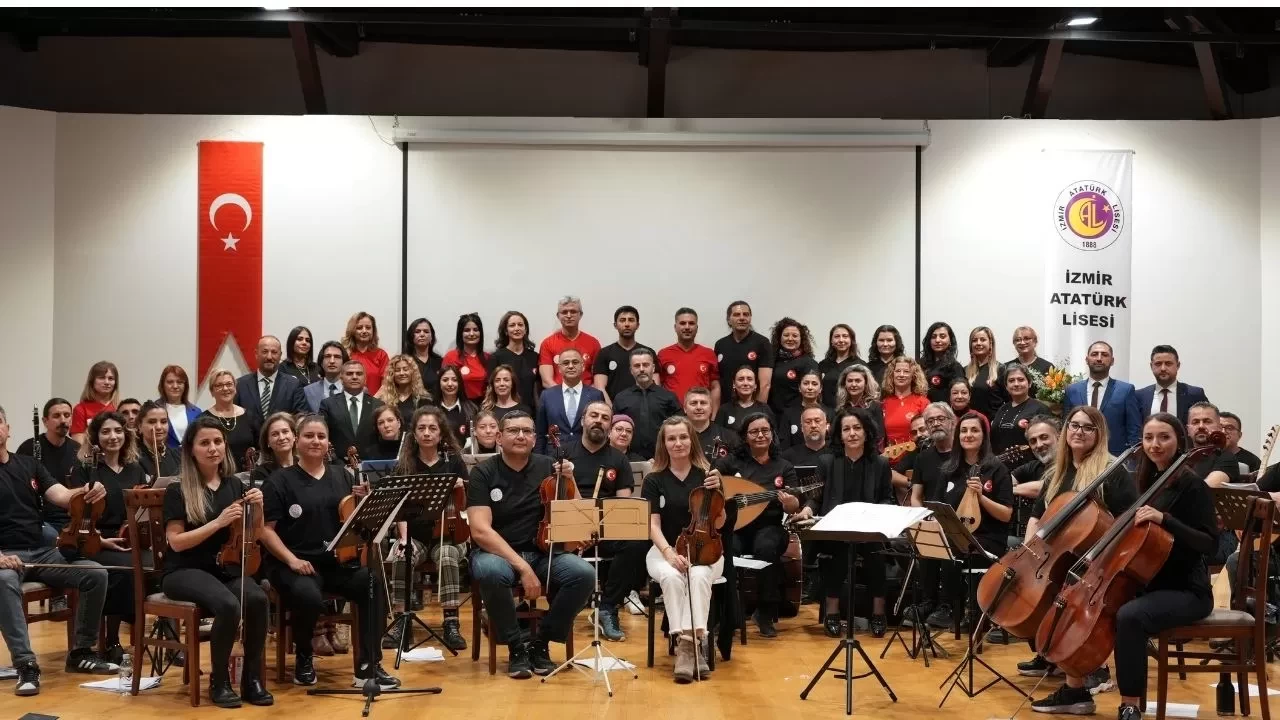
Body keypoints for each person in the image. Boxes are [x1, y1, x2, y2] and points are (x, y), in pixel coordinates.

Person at [1032, 413, 1217, 719]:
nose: (1155, 445)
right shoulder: (1148, 479)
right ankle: (1076, 689)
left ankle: (1130, 704)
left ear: (1179, 441)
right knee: (1076, 604)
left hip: (1187, 589)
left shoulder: (1192, 485)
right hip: (1148, 583)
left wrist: (1165, 520)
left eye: (1164, 437)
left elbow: (1208, 544)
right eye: (1148, 438)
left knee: (1129, 616)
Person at [259, 414, 399, 690]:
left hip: (335, 563)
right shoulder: (279, 481)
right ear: (297, 441)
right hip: (292, 563)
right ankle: (303, 658)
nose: (315, 441)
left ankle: (368, 665)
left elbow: (357, 524)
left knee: (371, 582)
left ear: (328, 443)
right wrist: (292, 560)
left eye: (321, 436)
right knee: (309, 596)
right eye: (309, 436)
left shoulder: (343, 476)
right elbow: (265, 530)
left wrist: (365, 502)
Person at [1, 402, 120, 698]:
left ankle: (80, 652)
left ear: (6, 428)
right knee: (2, 581)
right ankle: (26, 663)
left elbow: (63, 496)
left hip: (40, 552)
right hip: (4, 556)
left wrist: (88, 491)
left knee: (96, 574)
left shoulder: (28, 464)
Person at [466, 411, 595, 679]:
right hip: (497, 554)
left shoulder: (550, 466)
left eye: (527, 431)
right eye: (513, 431)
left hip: (543, 552)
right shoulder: (483, 473)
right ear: (499, 438)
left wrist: (569, 480)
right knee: (491, 572)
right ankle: (515, 647)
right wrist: (523, 568)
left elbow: (579, 517)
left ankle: (541, 643)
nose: (521, 436)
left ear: (535, 438)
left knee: (584, 574)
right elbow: (480, 530)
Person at [1016, 406, 1137, 682]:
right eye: (1074, 425)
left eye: (1087, 427)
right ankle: (1048, 651)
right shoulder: (1056, 473)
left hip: (1095, 557)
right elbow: (1037, 514)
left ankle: (1090, 664)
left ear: (1099, 433)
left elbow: (1128, 518)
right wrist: (1028, 549)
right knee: (1036, 590)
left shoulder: (1112, 470)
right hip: (1058, 552)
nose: (1079, 432)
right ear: (1065, 431)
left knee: (1069, 593)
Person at [161, 416, 271, 707]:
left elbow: (253, 533)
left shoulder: (235, 485)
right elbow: (176, 541)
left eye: (218, 441)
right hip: (184, 570)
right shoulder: (178, 489)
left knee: (258, 599)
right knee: (228, 605)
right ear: (191, 450)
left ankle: (252, 679)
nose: (213, 448)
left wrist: (258, 508)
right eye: (205, 443)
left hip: (224, 568)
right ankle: (219, 680)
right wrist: (217, 522)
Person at [794, 408, 892, 638]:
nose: (852, 433)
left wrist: (881, 513)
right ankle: (832, 613)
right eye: (846, 429)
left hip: (869, 527)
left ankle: (879, 613)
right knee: (836, 557)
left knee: (876, 556)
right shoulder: (827, 461)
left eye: (857, 428)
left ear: (867, 432)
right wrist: (806, 510)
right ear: (839, 434)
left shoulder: (880, 464)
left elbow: (887, 497)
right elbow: (815, 497)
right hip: (837, 528)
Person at [642, 415, 726, 682]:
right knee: (671, 576)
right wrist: (668, 553)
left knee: (700, 575)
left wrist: (718, 493)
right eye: (671, 438)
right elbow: (652, 525)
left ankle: (687, 646)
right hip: (664, 549)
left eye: (683, 437)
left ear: (692, 440)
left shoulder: (707, 476)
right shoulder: (654, 479)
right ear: (663, 444)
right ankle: (691, 646)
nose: (678, 443)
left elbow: (720, 522)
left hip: (706, 549)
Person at [386, 406, 471, 652]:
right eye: (421, 428)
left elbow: (465, 506)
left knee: (447, 555)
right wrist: (403, 539)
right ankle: (401, 621)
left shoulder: (453, 461)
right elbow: (399, 510)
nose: (426, 433)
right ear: (413, 434)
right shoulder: (404, 465)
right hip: (416, 534)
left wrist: (460, 488)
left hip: (449, 534)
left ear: (441, 434)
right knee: (403, 554)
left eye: (432, 428)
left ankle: (451, 621)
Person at [66, 411, 148, 663]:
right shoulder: (85, 469)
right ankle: (112, 640)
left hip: (126, 537)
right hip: (93, 538)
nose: (113, 437)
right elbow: (77, 514)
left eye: (118, 431)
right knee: (124, 569)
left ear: (126, 434)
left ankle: (152, 635)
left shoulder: (135, 468)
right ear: (95, 437)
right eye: (106, 432)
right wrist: (100, 540)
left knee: (156, 564)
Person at [925, 411, 1014, 631]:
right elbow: (936, 506)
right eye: (963, 430)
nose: (968, 435)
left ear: (984, 435)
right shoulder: (948, 471)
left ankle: (962, 610)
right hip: (957, 535)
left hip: (989, 538)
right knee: (931, 547)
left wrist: (982, 497)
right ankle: (941, 607)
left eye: (974, 430)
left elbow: (1006, 514)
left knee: (956, 550)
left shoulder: (998, 469)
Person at [566, 401, 645, 642]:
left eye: (604, 417)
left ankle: (609, 606)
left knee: (636, 542)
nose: (598, 420)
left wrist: (597, 530)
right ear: (583, 420)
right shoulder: (564, 454)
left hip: (606, 528)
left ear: (610, 426)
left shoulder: (618, 459)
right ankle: (563, 606)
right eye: (594, 415)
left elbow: (622, 506)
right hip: (571, 525)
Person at [716, 412, 798, 638]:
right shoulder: (731, 463)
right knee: (727, 549)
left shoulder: (784, 466)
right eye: (754, 431)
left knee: (766, 547)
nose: (760, 435)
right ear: (745, 436)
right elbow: (711, 482)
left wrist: (791, 503)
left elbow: (793, 507)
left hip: (770, 525)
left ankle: (765, 611)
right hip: (736, 526)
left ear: (772, 434)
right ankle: (726, 614)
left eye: (765, 430)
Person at [903, 403, 957, 624]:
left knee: (950, 543)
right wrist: (923, 517)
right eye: (930, 421)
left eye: (940, 418)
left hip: (956, 521)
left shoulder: (962, 455)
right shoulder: (923, 458)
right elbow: (916, 496)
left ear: (952, 422)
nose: (935, 423)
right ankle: (928, 602)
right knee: (924, 539)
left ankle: (947, 607)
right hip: (930, 519)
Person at [16, 398, 79, 546]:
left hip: (69, 518)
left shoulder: (78, 449)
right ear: (45, 421)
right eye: (56, 416)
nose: (63, 420)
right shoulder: (27, 448)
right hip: (40, 517)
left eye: (67, 415)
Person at [1063, 341, 1142, 454]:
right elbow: (1066, 426)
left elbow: (1134, 428)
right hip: (1079, 455)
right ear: (1087, 359)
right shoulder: (1072, 390)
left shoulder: (1126, 390)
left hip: (1114, 457)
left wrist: (1132, 458)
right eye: (1094, 354)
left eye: (1104, 355)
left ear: (1112, 361)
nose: (1099, 358)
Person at [611, 348, 681, 460]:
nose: (642, 369)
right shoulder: (621, 398)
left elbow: (680, 429)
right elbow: (613, 431)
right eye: (637, 366)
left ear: (653, 368)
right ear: (631, 370)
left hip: (664, 458)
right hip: (628, 459)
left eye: (646, 365)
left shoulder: (669, 397)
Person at [535, 348, 605, 453]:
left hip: (587, 455)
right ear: (559, 368)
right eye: (566, 363)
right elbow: (540, 433)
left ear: (583, 366)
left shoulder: (596, 395)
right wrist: (538, 459)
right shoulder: (547, 395)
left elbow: (602, 430)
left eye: (575, 362)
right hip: (554, 456)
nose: (571, 366)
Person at [658, 308, 720, 412]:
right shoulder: (663, 354)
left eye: (691, 323)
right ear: (675, 327)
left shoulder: (709, 354)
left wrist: (713, 417)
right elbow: (658, 389)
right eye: (682, 323)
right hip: (672, 415)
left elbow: (715, 388)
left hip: (701, 414)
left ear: (697, 327)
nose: (687, 327)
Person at [235, 335, 308, 423]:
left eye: (274, 352)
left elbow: (301, 418)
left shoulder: (294, 385)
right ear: (256, 354)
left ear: (280, 355)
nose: (269, 357)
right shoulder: (240, 385)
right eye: (265, 351)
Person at [321, 361, 385, 460]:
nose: (354, 377)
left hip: (371, 465)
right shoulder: (328, 404)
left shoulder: (378, 405)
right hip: (338, 466)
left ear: (365, 378)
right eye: (349, 373)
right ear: (341, 379)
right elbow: (322, 434)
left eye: (359, 374)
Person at [713, 301, 774, 404]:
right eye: (737, 315)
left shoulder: (762, 343)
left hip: (752, 408)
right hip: (726, 408)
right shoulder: (720, 344)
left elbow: (765, 384)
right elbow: (717, 383)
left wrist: (758, 412)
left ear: (750, 318)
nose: (742, 318)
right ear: (729, 320)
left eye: (746, 314)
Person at [202, 368, 262, 472]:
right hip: (216, 476)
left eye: (229, 384)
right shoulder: (204, 420)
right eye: (219, 385)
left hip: (247, 477)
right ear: (212, 391)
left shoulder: (250, 416)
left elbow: (261, 448)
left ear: (235, 388)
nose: (225, 388)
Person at [593, 305, 655, 402]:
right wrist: (611, 412)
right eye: (622, 320)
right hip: (614, 411)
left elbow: (655, 386)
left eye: (631, 320)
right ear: (615, 325)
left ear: (637, 325)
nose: (627, 324)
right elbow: (599, 388)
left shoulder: (648, 353)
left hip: (644, 408)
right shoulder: (604, 353)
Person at [1136, 345, 1209, 425]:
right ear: (1151, 366)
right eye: (1158, 364)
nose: (1163, 368)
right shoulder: (1139, 396)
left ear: (1178, 366)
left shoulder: (1194, 394)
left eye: (1168, 363)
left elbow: (1208, 421)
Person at [539, 296, 601, 389]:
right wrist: (565, 395)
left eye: (573, 311)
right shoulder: (547, 343)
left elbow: (598, 381)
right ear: (558, 316)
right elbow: (547, 381)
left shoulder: (593, 343)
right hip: (558, 397)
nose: (569, 315)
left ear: (580, 315)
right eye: (564, 312)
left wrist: (583, 395)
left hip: (586, 398)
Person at [990, 364, 1050, 454]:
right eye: (1011, 381)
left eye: (1021, 380)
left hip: (1029, 465)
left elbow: (1048, 442)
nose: (1016, 384)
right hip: (1000, 465)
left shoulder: (1040, 409)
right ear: (1006, 386)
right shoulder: (1002, 409)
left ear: (1029, 383)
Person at [766, 317, 818, 417]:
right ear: (779, 337)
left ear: (801, 339)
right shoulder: (771, 360)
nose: (790, 339)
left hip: (797, 416)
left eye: (795, 336)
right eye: (786, 335)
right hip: (772, 415)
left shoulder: (808, 363)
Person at [490, 310, 542, 411]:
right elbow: (491, 389)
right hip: (505, 413)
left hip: (531, 413)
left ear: (525, 329)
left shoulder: (535, 357)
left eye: (520, 325)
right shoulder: (496, 357)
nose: (517, 328)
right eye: (512, 325)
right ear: (505, 330)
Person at [1185, 402, 1239, 487]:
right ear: (1188, 430)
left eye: (1207, 421)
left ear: (1219, 428)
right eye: (1195, 422)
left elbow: (1206, 489)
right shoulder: (1180, 457)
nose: (1201, 426)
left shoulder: (1226, 458)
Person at [778, 369, 832, 449]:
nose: (810, 387)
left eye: (814, 384)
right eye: (806, 383)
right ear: (799, 387)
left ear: (820, 388)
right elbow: (784, 445)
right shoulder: (788, 413)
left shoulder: (830, 413)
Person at [881, 357, 930, 446]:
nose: (901, 375)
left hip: (916, 457)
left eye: (906, 371)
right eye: (898, 371)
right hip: (890, 457)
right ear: (892, 375)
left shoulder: (923, 402)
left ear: (913, 376)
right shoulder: (884, 403)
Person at [442, 313, 490, 403]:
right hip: (459, 405)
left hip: (484, 406)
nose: (471, 334)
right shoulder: (451, 357)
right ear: (460, 333)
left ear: (480, 333)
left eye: (475, 330)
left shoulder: (488, 358)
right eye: (467, 330)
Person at [1012, 415, 1061, 501]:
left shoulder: (1072, 463)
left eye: (1044, 437)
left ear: (1059, 437)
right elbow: (1004, 481)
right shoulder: (1033, 466)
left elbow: (1049, 487)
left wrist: (1012, 489)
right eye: (1033, 441)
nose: (1039, 445)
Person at [374, 353, 432, 426]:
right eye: (397, 370)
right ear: (392, 374)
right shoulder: (384, 400)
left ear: (412, 372)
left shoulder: (424, 400)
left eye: (405, 369)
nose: (402, 373)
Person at [833, 364, 884, 446]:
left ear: (866, 383)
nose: (853, 385)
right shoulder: (841, 408)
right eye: (850, 381)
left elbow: (880, 436)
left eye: (858, 381)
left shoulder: (874, 406)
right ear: (844, 384)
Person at [71, 360, 119, 444]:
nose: (107, 382)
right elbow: (78, 444)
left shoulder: (119, 407)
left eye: (111, 378)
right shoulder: (80, 409)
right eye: (101, 378)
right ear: (92, 381)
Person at [685, 386, 741, 458]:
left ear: (711, 408)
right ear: (685, 408)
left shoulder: (729, 437)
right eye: (693, 403)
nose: (698, 407)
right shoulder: (676, 437)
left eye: (703, 403)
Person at [818, 324, 864, 409]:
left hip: (851, 413)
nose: (841, 340)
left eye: (845, 336)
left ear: (851, 340)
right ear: (831, 341)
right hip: (827, 412)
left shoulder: (860, 365)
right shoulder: (822, 365)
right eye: (837, 336)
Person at [715, 366, 773, 431]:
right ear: (734, 384)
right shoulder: (724, 410)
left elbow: (773, 436)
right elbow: (717, 436)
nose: (745, 383)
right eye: (741, 379)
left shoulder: (764, 409)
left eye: (749, 379)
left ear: (755, 385)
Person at [344, 311, 390, 393]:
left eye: (368, 327)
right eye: (359, 328)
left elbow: (386, 385)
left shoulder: (381, 355)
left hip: (375, 403)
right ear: (352, 330)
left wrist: (373, 402)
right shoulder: (345, 354)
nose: (364, 331)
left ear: (373, 331)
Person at [157, 365, 202, 448]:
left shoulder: (196, 412)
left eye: (179, 382)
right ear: (163, 385)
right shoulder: (153, 409)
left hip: (190, 460)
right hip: (163, 459)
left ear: (185, 386)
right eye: (170, 382)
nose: (175, 386)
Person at [966, 326, 1006, 418]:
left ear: (991, 344)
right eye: (974, 340)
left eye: (983, 339)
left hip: (993, 424)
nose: (978, 343)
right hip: (970, 424)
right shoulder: (964, 371)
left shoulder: (1000, 369)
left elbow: (1010, 402)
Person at [920, 322, 965, 404]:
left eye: (942, 336)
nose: (937, 340)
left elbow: (959, 398)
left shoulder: (954, 367)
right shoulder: (920, 364)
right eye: (933, 337)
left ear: (950, 340)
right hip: (920, 412)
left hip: (942, 414)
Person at [249, 412, 295, 488]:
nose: (281, 438)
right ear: (268, 442)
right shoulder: (261, 473)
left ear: (294, 436)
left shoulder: (305, 465)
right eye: (275, 434)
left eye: (285, 432)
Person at [136, 401, 180, 479]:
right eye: (152, 422)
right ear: (140, 426)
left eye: (163, 422)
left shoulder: (178, 456)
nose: (159, 427)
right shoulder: (132, 458)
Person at [435, 365, 477, 446]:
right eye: (445, 380)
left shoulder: (472, 409)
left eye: (454, 380)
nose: (450, 384)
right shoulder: (431, 408)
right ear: (439, 383)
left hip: (464, 456)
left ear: (459, 383)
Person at [304, 341, 349, 413]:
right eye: (327, 356)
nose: (332, 361)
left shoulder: (355, 390)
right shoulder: (308, 391)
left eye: (337, 357)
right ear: (321, 362)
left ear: (344, 363)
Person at [404, 317, 444, 392]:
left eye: (426, 331)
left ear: (431, 337)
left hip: (435, 403)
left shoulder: (440, 362)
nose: (422, 334)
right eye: (417, 331)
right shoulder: (404, 361)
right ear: (411, 336)